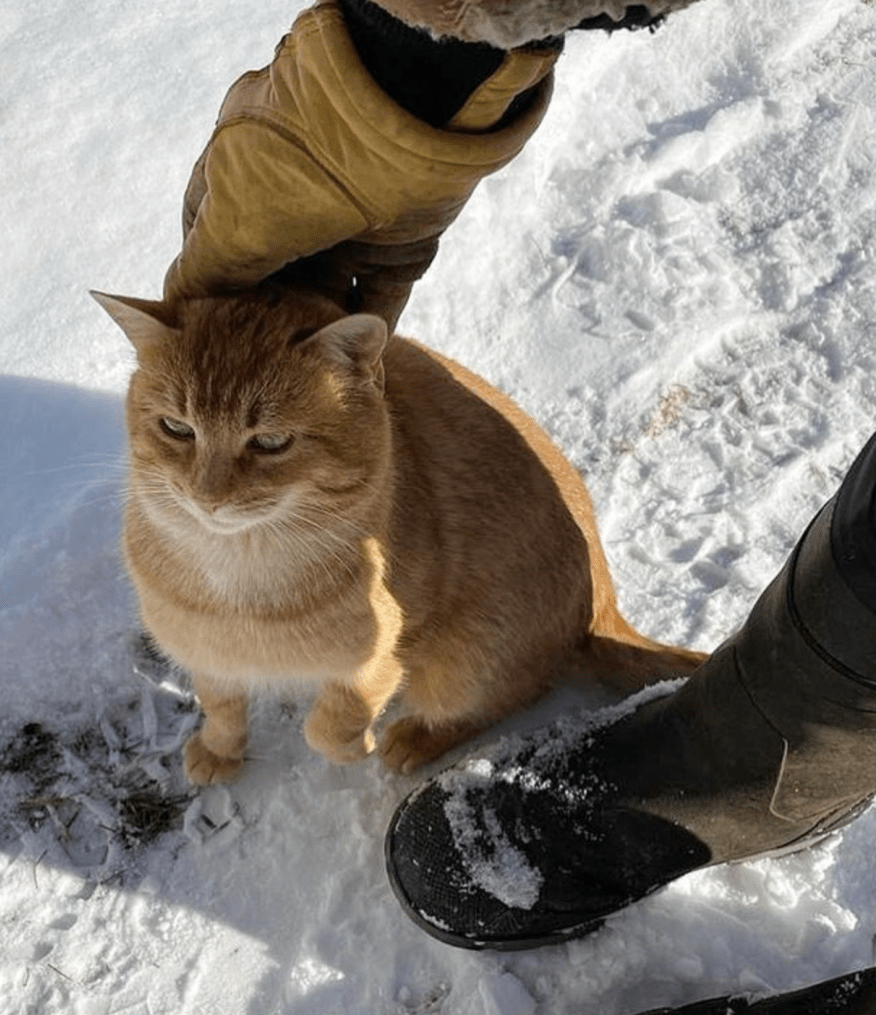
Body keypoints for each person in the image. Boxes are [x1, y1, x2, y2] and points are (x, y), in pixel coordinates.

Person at [165, 2, 876, 1011]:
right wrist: (380, 97)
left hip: (480, 606)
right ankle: (765, 730)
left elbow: (376, 635)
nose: (207, 486)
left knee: (428, 661)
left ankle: (763, 772)